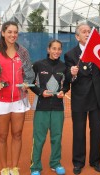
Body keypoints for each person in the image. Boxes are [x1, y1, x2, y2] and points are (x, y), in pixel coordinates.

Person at [0, 21, 35, 175]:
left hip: (19, 99)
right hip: (0, 100)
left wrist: (27, 83)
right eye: (9, 32)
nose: (13, 35)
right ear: (3, 33)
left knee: (17, 134)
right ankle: (4, 168)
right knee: (2, 135)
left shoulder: (23, 52)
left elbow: (30, 74)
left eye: (15, 32)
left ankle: (14, 167)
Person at [64, 23, 100, 174]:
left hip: (96, 97)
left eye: (89, 31)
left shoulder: (98, 51)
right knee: (79, 131)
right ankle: (78, 162)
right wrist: (72, 73)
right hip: (80, 98)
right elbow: (68, 78)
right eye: (84, 32)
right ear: (77, 36)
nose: (87, 34)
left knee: (96, 132)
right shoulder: (70, 55)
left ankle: (95, 161)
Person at [30, 40, 70, 175]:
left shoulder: (63, 67)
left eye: (59, 49)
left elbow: (66, 85)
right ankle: (35, 167)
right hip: (42, 107)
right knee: (39, 138)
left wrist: (63, 92)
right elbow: (30, 83)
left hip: (58, 108)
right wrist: (41, 92)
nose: (56, 51)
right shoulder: (38, 65)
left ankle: (55, 163)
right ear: (48, 49)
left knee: (57, 137)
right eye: (54, 48)